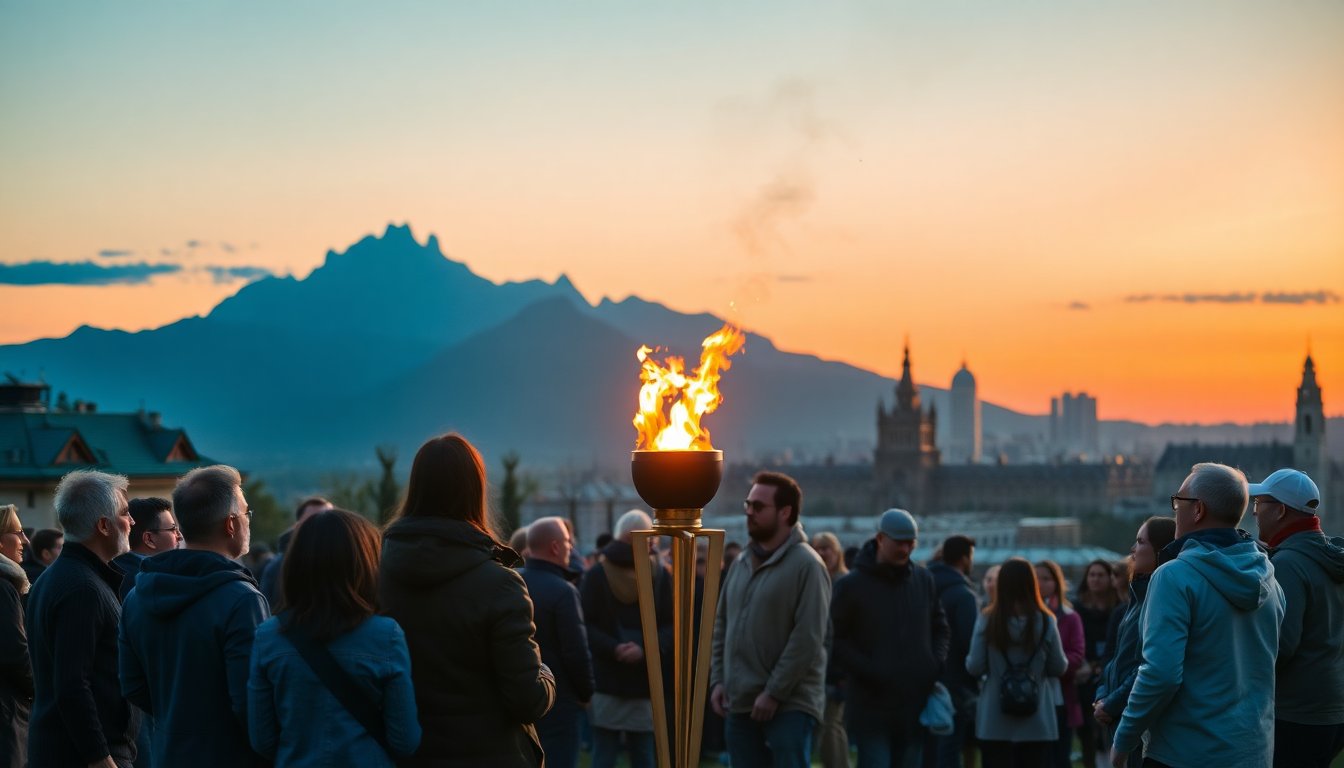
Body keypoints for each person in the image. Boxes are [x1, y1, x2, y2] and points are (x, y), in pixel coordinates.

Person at [379, 433, 555, 767]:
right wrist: (546, 674)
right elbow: (527, 700)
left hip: (406, 755)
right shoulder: (501, 586)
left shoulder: (376, 575)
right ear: (475, 490)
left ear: (415, 487)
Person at [1110, 462, 1285, 768]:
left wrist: (1123, 739)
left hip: (1185, 752)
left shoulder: (1174, 577)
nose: (1175, 509)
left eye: (1179, 502)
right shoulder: (1269, 577)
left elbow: (1160, 674)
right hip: (1252, 750)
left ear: (1198, 510)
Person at [119, 465, 271, 767]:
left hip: (168, 753)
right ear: (231, 524)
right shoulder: (242, 600)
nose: (246, 522)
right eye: (245, 514)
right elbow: (251, 701)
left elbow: (132, 684)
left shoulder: (138, 595)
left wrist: (179, 717)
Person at [248, 508, 421, 765]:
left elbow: (262, 740)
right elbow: (404, 741)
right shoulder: (387, 636)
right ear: (364, 562)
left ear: (296, 563)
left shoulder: (268, 637)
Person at [710, 471, 830, 768]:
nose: (749, 513)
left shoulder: (807, 566)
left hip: (789, 706)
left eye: (758, 507)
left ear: (785, 512)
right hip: (740, 703)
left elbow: (808, 639)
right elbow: (722, 624)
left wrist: (774, 693)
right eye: (747, 505)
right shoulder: (740, 563)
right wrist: (718, 680)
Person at [25, 470, 139, 768]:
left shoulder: (56, 578)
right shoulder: (83, 589)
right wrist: (99, 756)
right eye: (126, 513)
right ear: (104, 525)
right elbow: (72, 683)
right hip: (84, 756)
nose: (132, 522)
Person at [831, 509, 950, 767]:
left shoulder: (923, 580)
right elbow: (835, 639)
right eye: (900, 543)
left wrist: (933, 663)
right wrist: (870, 670)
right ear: (880, 539)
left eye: (911, 543)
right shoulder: (852, 586)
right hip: (870, 705)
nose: (906, 550)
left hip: (912, 704)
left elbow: (940, 627)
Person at [1249, 468, 1344, 766]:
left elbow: (1282, 645)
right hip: (1331, 705)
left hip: (1296, 711)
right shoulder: (1328, 556)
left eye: (1259, 504)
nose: (1253, 512)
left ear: (1279, 511)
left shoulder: (1289, 564)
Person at [579, 509, 671, 768]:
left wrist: (613, 648)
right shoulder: (661, 573)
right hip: (646, 678)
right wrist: (644, 647)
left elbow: (585, 624)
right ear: (649, 540)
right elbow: (672, 625)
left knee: (604, 754)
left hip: (607, 677)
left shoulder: (597, 573)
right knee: (643, 755)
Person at [966, 557, 1068, 768]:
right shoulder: (1046, 619)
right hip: (1037, 718)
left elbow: (974, 665)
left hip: (994, 718)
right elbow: (1058, 666)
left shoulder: (987, 619)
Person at [1093, 516, 1176, 768]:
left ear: (1160, 551)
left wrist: (1112, 702)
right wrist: (1102, 696)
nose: (1133, 549)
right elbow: (1115, 659)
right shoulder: (1136, 599)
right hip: (1120, 714)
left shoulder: (1157, 600)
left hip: (1139, 723)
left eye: (1140, 542)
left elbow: (1146, 665)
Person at [522, 516, 595, 768]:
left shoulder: (512, 581)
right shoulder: (564, 591)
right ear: (554, 547)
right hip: (560, 701)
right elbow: (576, 652)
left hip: (520, 696)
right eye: (566, 542)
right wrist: (586, 693)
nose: (570, 548)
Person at [928, 534, 979, 768]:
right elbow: (972, 643)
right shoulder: (964, 596)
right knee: (949, 750)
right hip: (956, 683)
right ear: (964, 559)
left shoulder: (921, 585)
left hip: (922, 678)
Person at [1034, 560, 1084, 768]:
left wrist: (1053, 664)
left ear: (1057, 582)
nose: (1041, 583)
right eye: (1036, 578)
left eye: (1046, 578)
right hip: (1031, 696)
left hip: (1060, 695)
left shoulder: (1070, 617)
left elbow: (1077, 654)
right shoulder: (1024, 616)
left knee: (1059, 756)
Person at [810, 531, 850, 768]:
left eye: (828, 549)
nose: (824, 553)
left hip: (837, 668)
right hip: (819, 664)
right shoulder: (812, 581)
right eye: (819, 548)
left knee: (830, 724)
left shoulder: (844, 584)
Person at [1072, 559, 1118, 768]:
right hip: (1083, 676)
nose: (1096, 579)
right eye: (1092, 575)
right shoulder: (1077, 608)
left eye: (1100, 575)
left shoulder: (1119, 608)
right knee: (1087, 736)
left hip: (1109, 674)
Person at [0, 505, 34, 768]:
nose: (25, 540)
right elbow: (15, 652)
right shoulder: (4, 587)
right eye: (18, 532)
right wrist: (38, 689)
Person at [259, 496, 333, 608]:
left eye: (330, 519)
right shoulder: (277, 568)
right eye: (313, 520)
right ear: (297, 525)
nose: (322, 526)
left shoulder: (347, 560)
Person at [113, 497, 182, 601]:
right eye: (173, 529)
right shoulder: (147, 583)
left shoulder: (117, 569)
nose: (180, 536)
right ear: (149, 539)